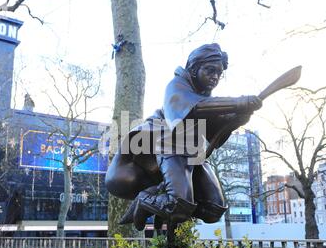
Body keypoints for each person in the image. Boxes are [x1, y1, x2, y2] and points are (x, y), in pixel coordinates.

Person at [105, 43, 262, 231]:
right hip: (166, 144)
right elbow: (189, 110)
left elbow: (213, 130)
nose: (215, 77)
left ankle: (162, 203)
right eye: (210, 70)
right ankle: (147, 200)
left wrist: (238, 118)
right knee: (179, 205)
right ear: (194, 69)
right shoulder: (177, 86)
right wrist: (237, 103)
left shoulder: (204, 97)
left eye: (219, 73)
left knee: (213, 209)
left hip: (190, 152)